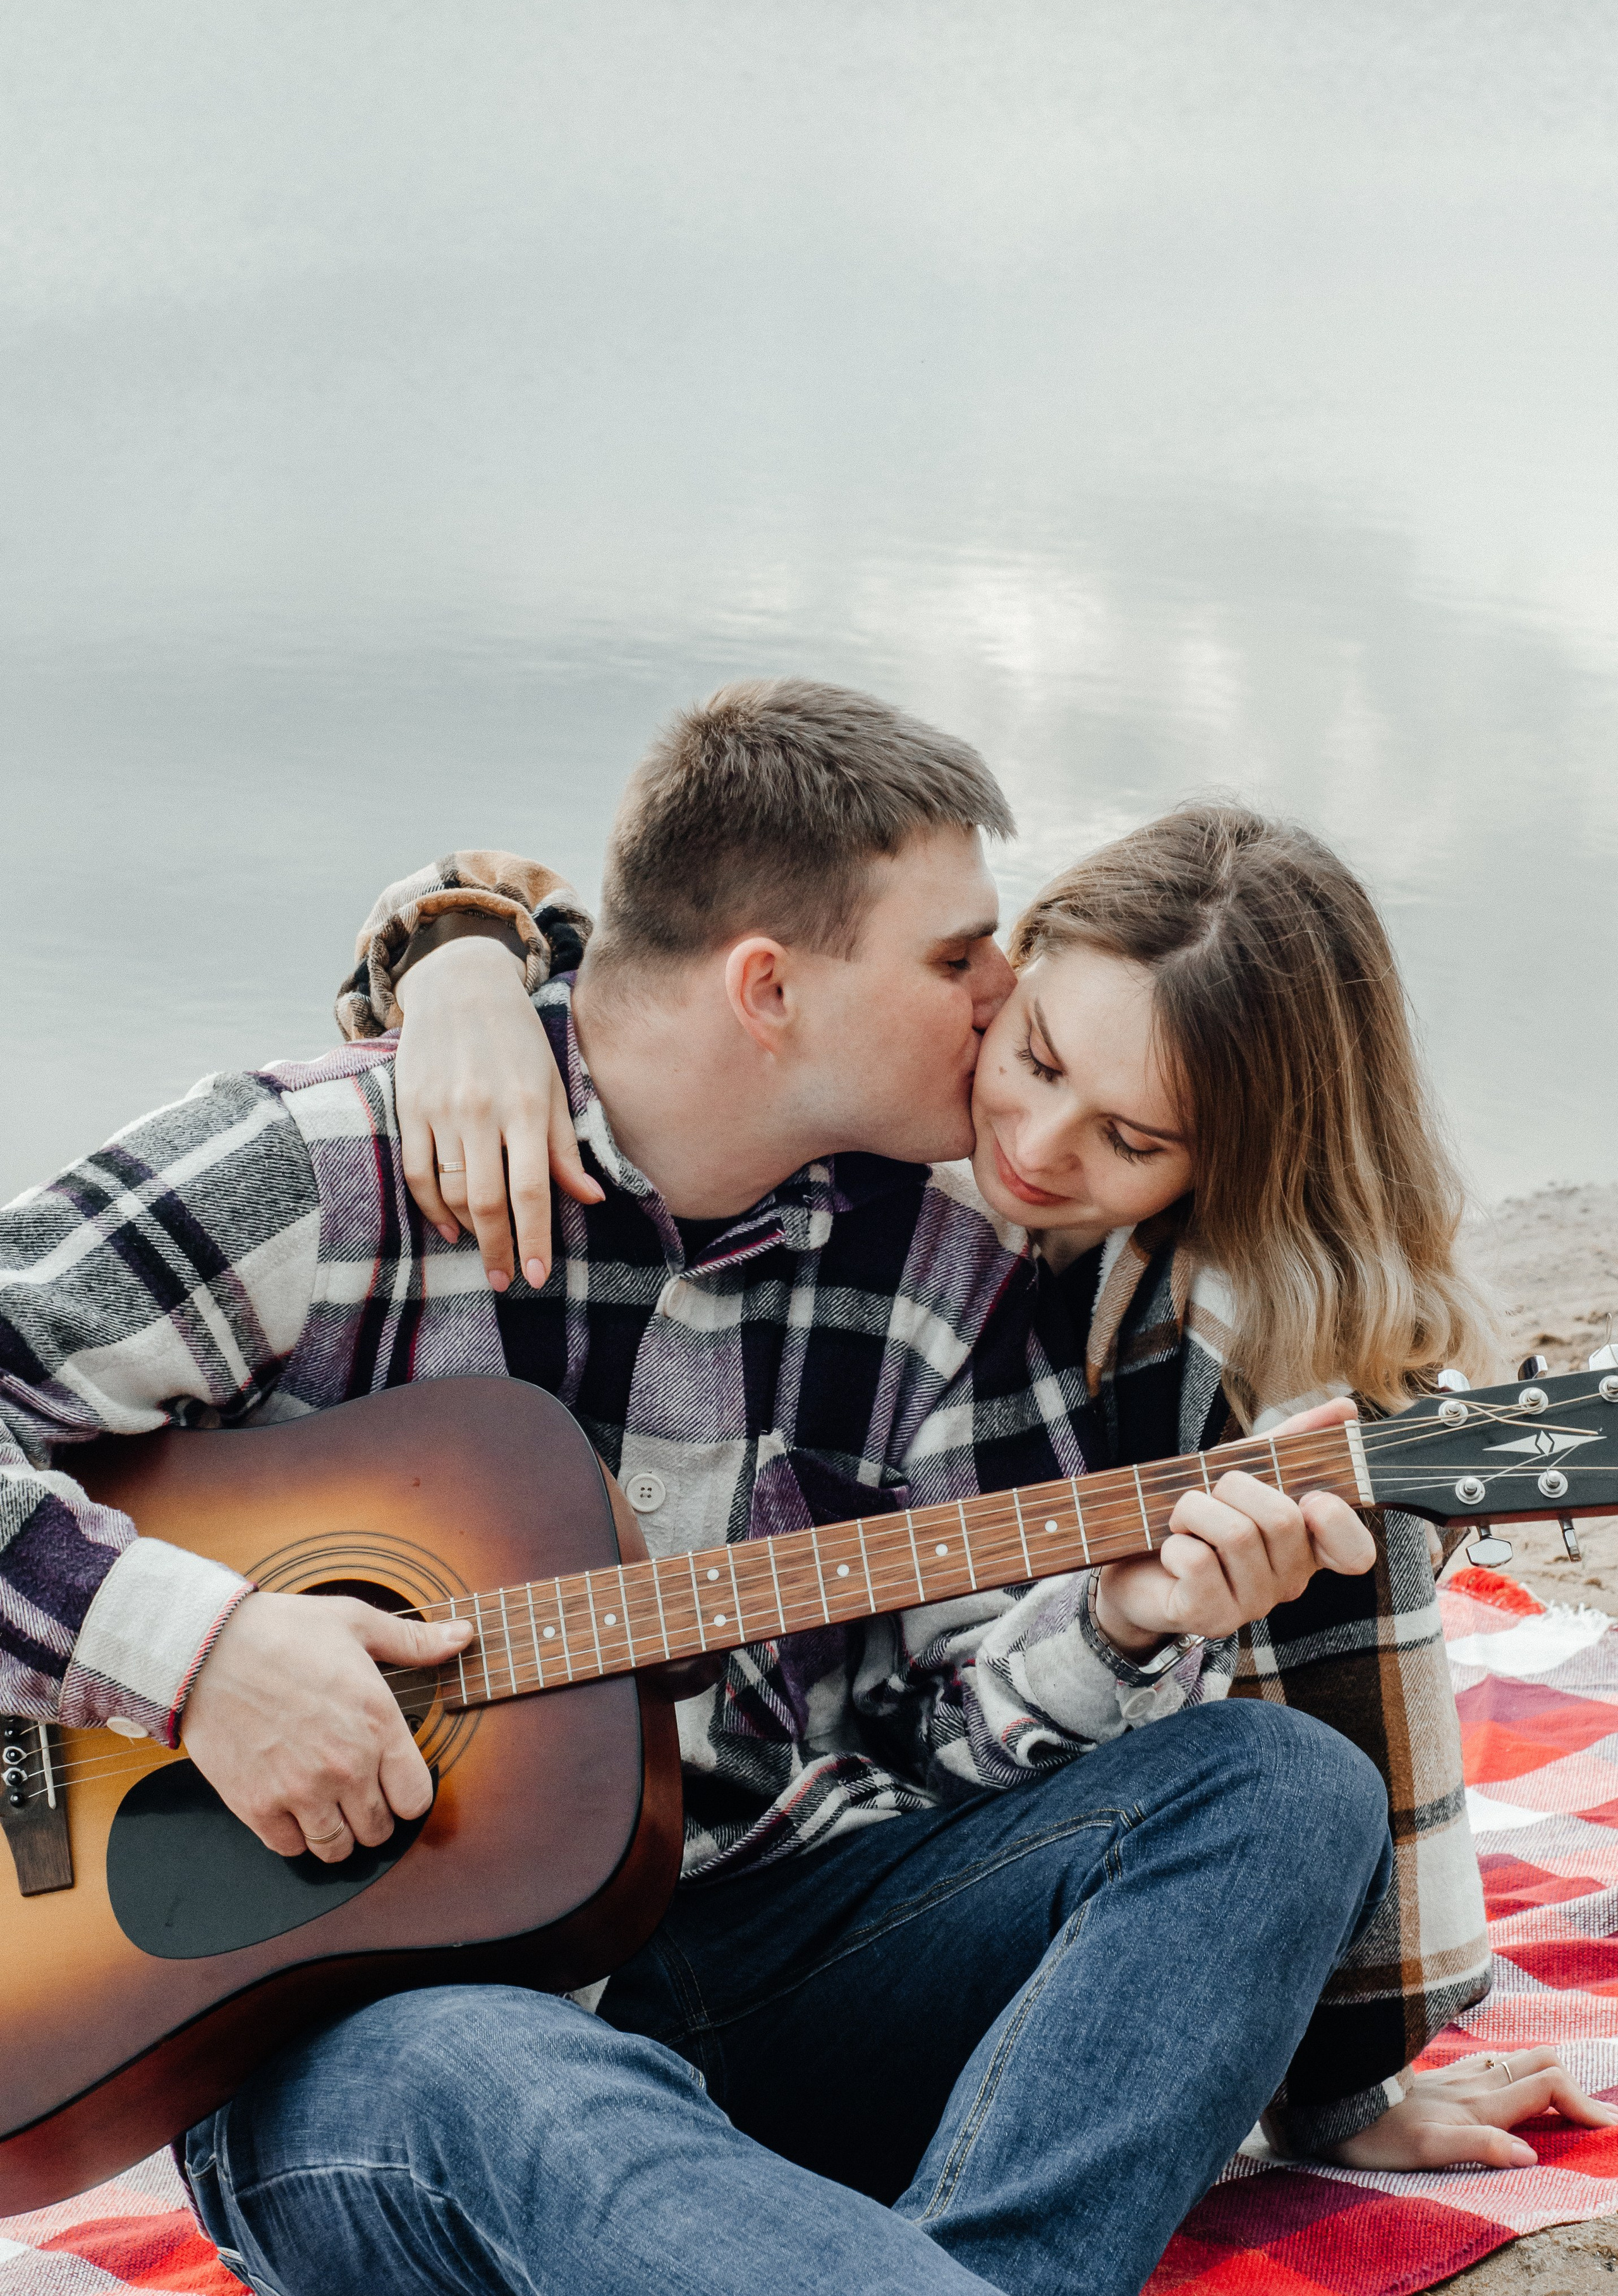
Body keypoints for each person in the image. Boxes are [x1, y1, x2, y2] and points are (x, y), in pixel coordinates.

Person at [0, 682, 1597, 2296]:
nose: (996, 1012)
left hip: (792, 1951)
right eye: (963, 964)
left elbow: (950, 1740)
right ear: (768, 986)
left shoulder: (950, 1270)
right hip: (385, 2030)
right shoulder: (335, 1168)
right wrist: (202, 1652)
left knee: (1276, 1787)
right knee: (518, 2086)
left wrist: (1123, 1621)